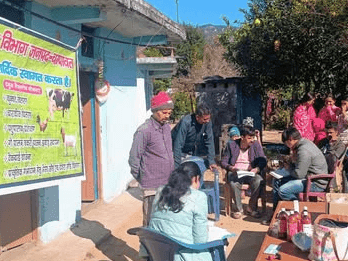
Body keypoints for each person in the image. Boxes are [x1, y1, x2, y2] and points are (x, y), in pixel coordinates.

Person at [149, 161, 213, 261]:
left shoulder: (161, 191)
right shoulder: (199, 197)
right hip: (182, 256)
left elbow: (153, 223)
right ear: (196, 178)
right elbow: (200, 241)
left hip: (157, 253)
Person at [128, 91, 175, 226]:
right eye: (164, 113)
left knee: (165, 221)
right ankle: (146, 247)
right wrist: (143, 177)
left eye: (169, 113)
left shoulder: (166, 128)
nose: (167, 116)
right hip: (151, 187)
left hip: (167, 183)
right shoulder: (144, 131)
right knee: (150, 223)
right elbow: (134, 158)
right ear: (155, 111)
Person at [272, 127, 328, 211]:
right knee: (276, 181)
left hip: (315, 183)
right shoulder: (303, 144)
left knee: (283, 191)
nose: (287, 146)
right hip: (309, 177)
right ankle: (276, 211)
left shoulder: (303, 150)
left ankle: (299, 209)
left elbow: (299, 174)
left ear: (290, 140)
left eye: (286, 143)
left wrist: (288, 169)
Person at [221, 126, 267, 219]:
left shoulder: (255, 145)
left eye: (253, 137)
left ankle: (251, 208)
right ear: (242, 137)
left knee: (258, 180)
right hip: (236, 172)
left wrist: (257, 169)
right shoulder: (231, 145)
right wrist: (231, 168)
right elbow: (224, 161)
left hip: (250, 172)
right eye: (249, 137)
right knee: (233, 183)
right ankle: (239, 209)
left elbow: (263, 160)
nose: (252, 140)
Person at [171, 103, 218, 170]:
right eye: (205, 119)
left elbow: (209, 141)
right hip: (176, 150)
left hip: (190, 151)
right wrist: (176, 166)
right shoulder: (186, 122)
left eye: (208, 119)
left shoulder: (207, 123)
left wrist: (211, 161)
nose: (207, 121)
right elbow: (178, 144)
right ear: (197, 117)